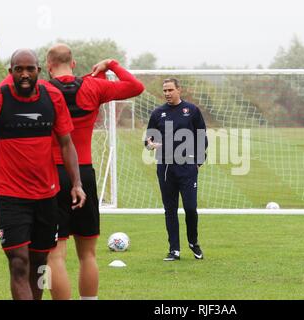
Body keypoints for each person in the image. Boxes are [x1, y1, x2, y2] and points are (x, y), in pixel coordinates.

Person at [0, 49, 86, 300]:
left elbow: (66, 144)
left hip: (46, 195)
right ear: (10, 71)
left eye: (29, 69)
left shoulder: (53, 98)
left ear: (39, 71)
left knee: (39, 262)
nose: (24, 74)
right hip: (9, 195)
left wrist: (76, 183)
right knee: (19, 262)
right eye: (18, 69)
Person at [44, 43, 144, 300]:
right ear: (74, 63)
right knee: (88, 254)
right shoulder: (93, 86)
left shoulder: (41, 89)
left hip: (51, 175)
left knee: (54, 254)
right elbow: (136, 87)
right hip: (84, 175)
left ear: (48, 66)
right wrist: (111, 64)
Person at [145, 78, 207, 261]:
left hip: (187, 167)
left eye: (170, 90)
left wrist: (198, 163)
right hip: (165, 168)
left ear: (179, 90)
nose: (167, 93)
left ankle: (193, 242)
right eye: (164, 90)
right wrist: (151, 145)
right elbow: (147, 142)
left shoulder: (192, 111)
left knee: (190, 208)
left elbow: (202, 138)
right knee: (170, 209)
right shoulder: (157, 113)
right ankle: (174, 250)